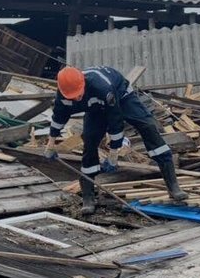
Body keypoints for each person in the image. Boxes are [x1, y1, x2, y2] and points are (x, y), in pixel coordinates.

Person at [45, 65, 188, 214]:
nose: (76, 98)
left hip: (121, 97)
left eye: (78, 94)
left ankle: (173, 187)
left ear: (83, 83)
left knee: (148, 127)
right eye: (72, 96)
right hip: (94, 109)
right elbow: (58, 118)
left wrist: (114, 153)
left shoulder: (102, 86)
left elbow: (115, 119)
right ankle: (88, 197)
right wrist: (50, 144)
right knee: (90, 140)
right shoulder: (63, 95)